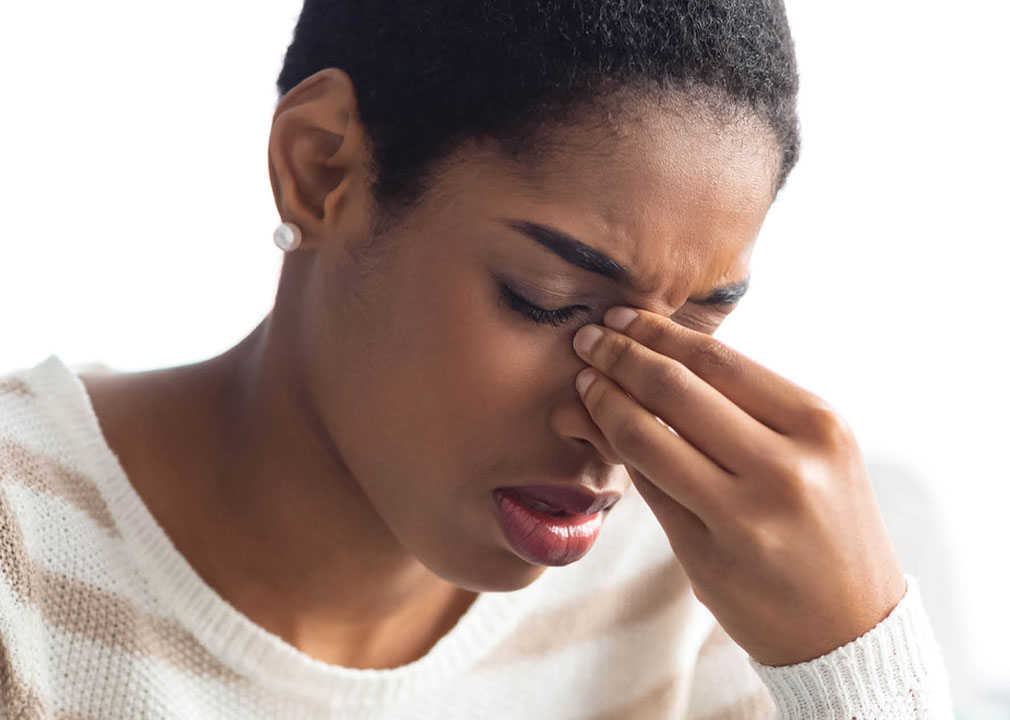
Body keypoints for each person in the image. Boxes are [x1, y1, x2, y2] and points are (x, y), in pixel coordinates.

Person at [0, 1, 954, 717]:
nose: (617, 422)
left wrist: (855, 662)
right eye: (550, 303)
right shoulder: (23, 552)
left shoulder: (700, 595)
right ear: (322, 167)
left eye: (695, 331)